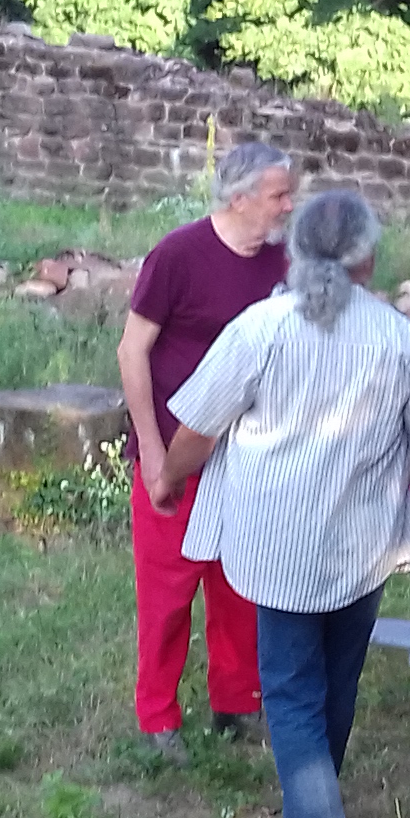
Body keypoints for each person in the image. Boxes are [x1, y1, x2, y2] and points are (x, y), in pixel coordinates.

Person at [156, 190, 410, 818]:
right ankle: (312, 804)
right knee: (336, 682)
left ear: (294, 252)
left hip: (276, 545)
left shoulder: (259, 329)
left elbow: (197, 427)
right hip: (363, 542)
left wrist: (168, 478)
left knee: (291, 694)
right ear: (367, 257)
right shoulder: (402, 340)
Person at [118, 141, 297, 758]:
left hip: (249, 458)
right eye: (278, 195)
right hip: (177, 455)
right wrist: (151, 449)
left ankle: (237, 704)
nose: (288, 206)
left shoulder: (282, 264)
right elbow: (132, 351)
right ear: (239, 198)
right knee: (167, 595)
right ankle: (157, 719)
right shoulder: (178, 255)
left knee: (240, 587)